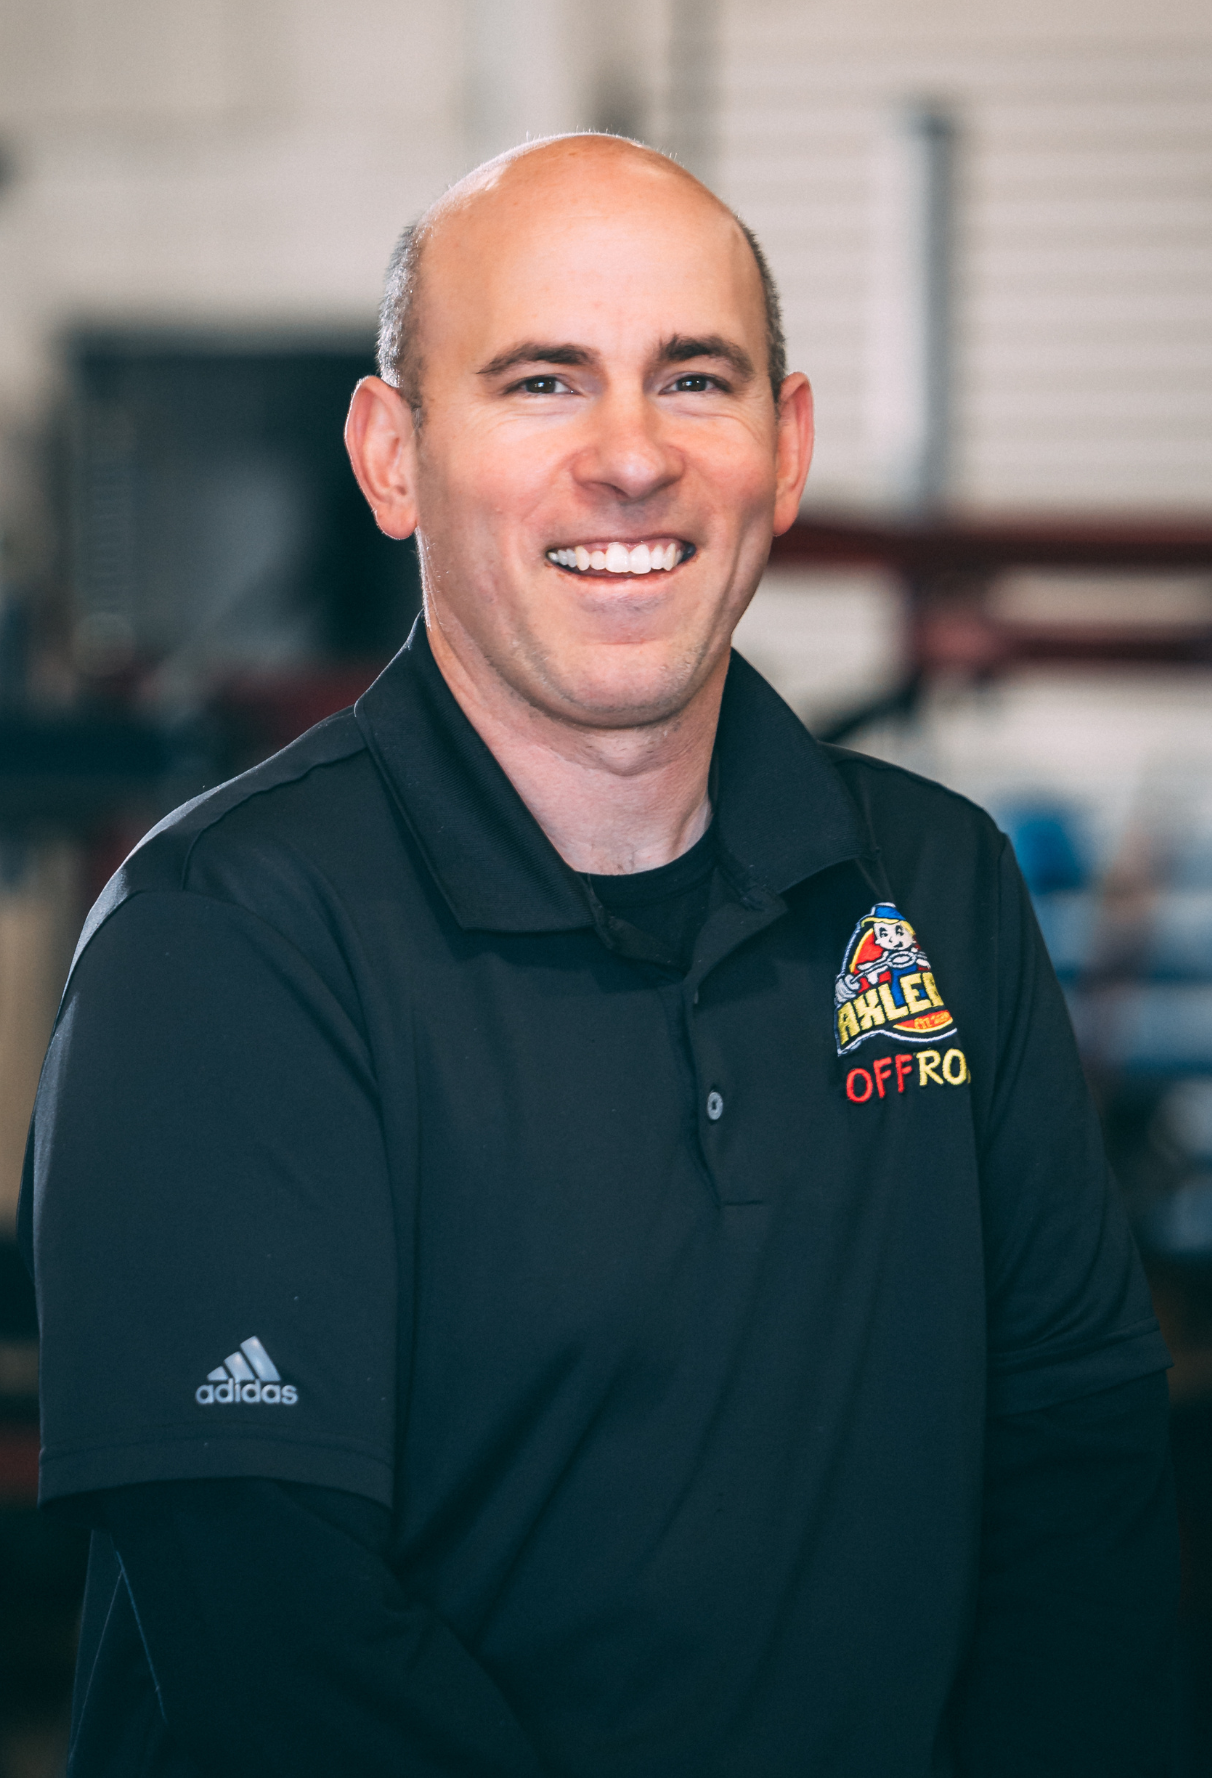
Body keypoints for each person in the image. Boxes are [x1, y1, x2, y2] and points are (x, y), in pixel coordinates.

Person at [22, 135, 1176, 1778]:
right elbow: (288, 1659)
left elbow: (1080, 1504)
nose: (631, 461)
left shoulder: (939, 888)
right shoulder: (224, 943)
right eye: (544, 381)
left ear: (783, 450)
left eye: (693, 379)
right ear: (392, 455)